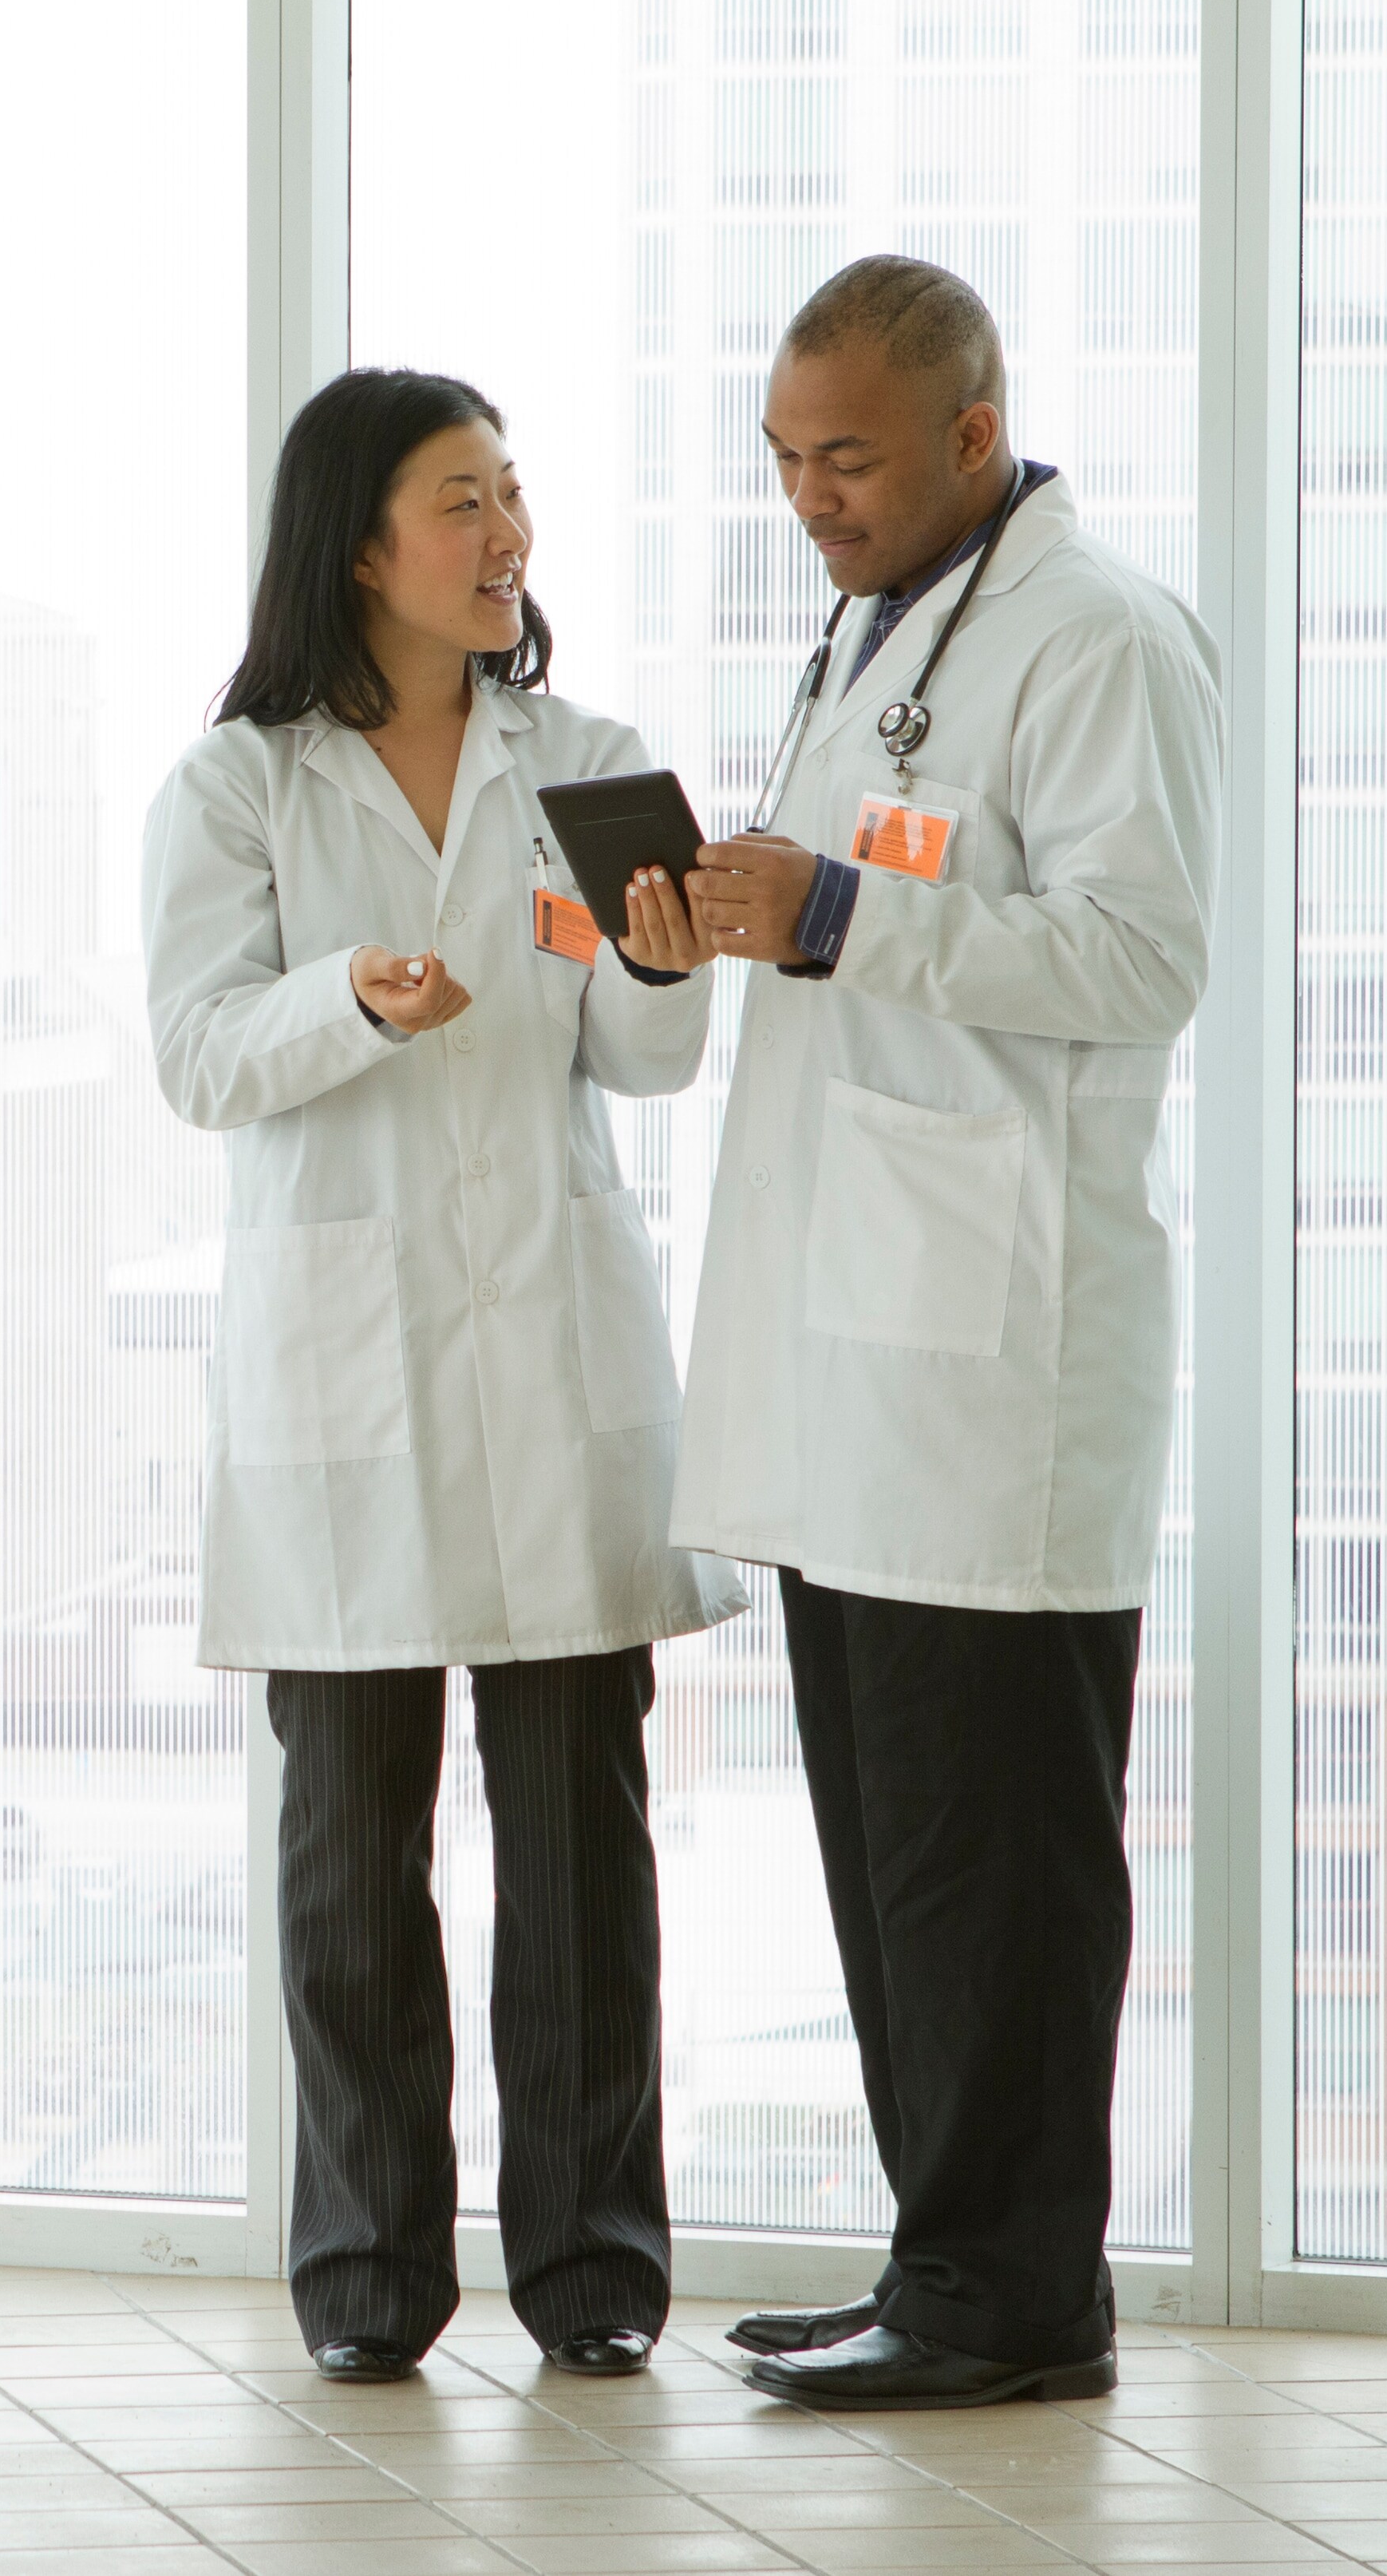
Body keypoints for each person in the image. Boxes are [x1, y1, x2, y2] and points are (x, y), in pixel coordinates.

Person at [141, 367, 741, 2387]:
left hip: (548, 1351)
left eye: (513, 497)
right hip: (345, 1371)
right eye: (464, 498)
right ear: (360, 538)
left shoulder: (588, 762)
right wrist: (354, 996)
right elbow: (203, 1053)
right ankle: (368, 2278)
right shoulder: (237, 788)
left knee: (581, 1851)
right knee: (349, 1865)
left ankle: (593, 2272)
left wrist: (659, 957)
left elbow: (645, 1063)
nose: (509, 537)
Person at [670, 255, 1218, 2412]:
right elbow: (890, 912)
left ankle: (1014, 2293)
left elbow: (1141, 950)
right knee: (902, 1849)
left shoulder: (1096, 638)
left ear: (975, 434)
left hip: (997, 1363)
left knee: (991, 1851)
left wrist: (834, 909)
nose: (813, 495)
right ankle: (943, 2258)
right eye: (789, 459)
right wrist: (745, 909)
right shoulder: (883, 626)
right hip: (862, 1361)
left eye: (853, 457)